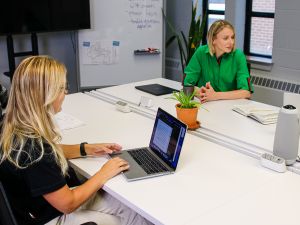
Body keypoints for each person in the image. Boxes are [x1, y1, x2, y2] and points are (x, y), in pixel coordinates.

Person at [0, 56, 152, 225]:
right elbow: (68, 203)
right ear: (45, 95)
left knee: (127, 208)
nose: (65, 93)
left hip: (39, 204)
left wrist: (85, 149)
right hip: (49, 215)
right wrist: (104, 173)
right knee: (131, 217)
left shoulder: (14, 125)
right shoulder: (34, 149)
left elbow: (49, 151)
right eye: (61, 88)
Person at [184, 19, 253, 103]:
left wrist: (216, 95)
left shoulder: (238, 56)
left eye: (232, 37)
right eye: (225, 38)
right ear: (213, 39)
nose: (231, 42)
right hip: (205, 105)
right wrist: (201, 93)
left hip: (229, 107)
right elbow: (187, 84)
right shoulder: (201, 52)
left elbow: (246, 92)